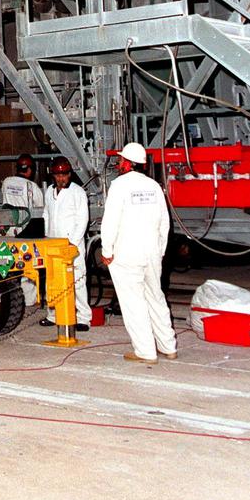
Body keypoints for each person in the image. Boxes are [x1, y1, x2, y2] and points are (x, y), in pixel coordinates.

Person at [101, 141, 177, 365]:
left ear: (127, 163)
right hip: (151, 253)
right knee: (156, 297)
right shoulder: (154, 186)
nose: (119, 163)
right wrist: (160, 250)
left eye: (121, 160)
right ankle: (168, 346)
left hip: (126, 254)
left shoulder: (119, 186)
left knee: (133, 302)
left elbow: (110, 221)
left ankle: (145, 351)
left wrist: (107, 250)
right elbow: (165, 222)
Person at [41, 155, 92, 330]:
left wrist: (73, 242)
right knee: (52, 280)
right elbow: (46, 214)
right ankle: (53, 315)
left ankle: (83, 317)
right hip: (53, 244)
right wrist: (46, 236)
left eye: (64, 175)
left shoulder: (78, 192)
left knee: (77, 280)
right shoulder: (49, 192)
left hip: (72, 245)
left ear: (70, 174)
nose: (61, 178)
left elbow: (82, 219)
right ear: (53, 176)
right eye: (58, 175)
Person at [0, 153, 45, 305]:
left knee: (7, 265)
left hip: (7, 231)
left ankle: (7, 298)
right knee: (27, 263)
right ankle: (29, 300)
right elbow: (40, 209)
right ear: (30, 170)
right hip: (25, 231)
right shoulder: (32, 187)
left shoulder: (6, 182)